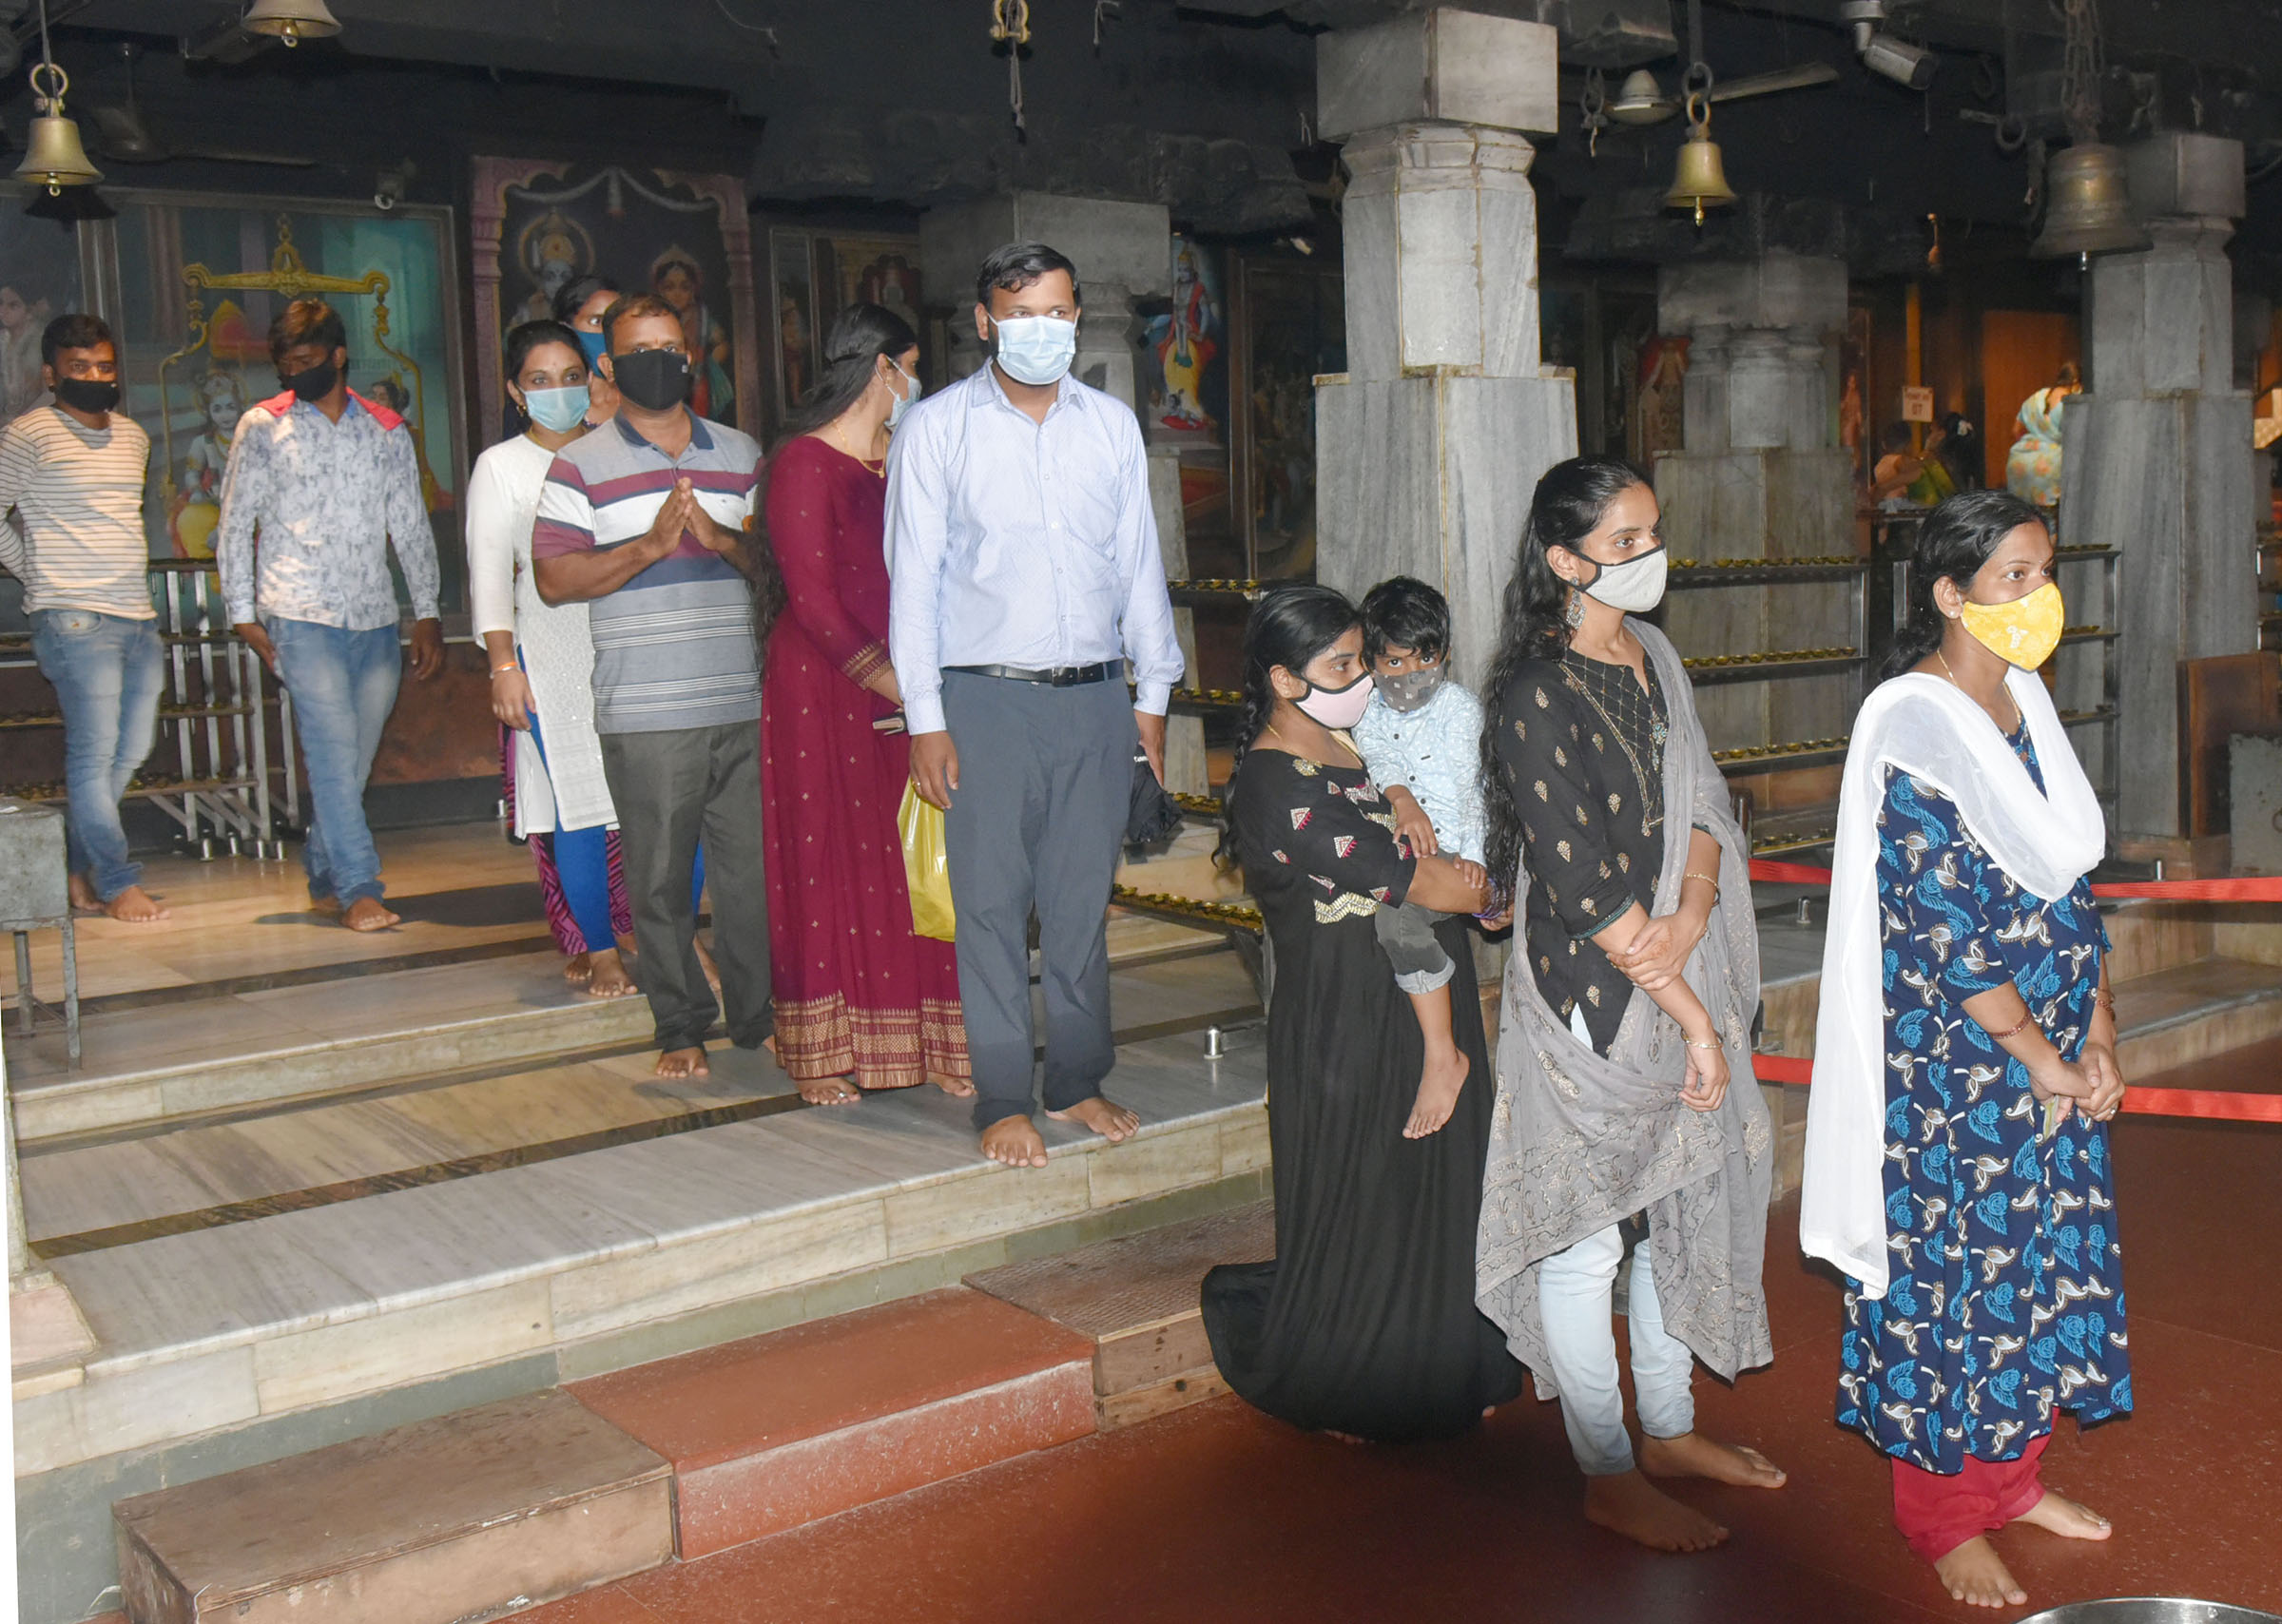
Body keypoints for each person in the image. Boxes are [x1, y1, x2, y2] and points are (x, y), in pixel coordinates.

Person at [1802, 488, 2127, 1611]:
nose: (2041, 598)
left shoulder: (2025, 706)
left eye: (2045, 571)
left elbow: (2068, 890)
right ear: (1948, 594)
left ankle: (2014, 1479)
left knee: (2032, 1278)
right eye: (2014, 577)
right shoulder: (1913, 725)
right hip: (1957, 1072)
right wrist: (2037, 1053)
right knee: (1955, 1283)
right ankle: (1942, 1516)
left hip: (2049, 1043)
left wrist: (2098, 1026)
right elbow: (1940, 925)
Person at [1474, 455, 1784, 1554]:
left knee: (1675, 1203)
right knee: (1588, 1241)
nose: (1649, 560)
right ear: (1563, 561)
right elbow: (1587, 888)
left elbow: (1701, 793)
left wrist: (1697, 912)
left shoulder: (1652, 651)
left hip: (1675, 959)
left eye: (1653, 536)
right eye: (1624, 544)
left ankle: (1668, 1427)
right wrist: (1695, 1014)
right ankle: (1607, 1468)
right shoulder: (1533, 691)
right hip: (1590, 1000)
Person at [1199, 584, 1524, 1441]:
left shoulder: (1351, 740)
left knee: (1444, 1184)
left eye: (1359, 659)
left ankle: (1453, 1359)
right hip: (1346, 1020)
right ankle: (1359, 1380)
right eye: (1341, 665)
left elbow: (1426, 846)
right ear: (1282, 679)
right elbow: (1418, 880)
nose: (1364, 679)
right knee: (1370, 1196)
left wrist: (1464, 872)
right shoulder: (1274, 784)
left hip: (1423, 993)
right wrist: (1478, 885)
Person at [886, 242, 1185, 1169]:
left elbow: (1138, 565)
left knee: (1078, 907)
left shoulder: (1109, 428)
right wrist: (925, 718)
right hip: (985, 699)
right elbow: (914, 583)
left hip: (1097, 695)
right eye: (1020, 316)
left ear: (1077, 316)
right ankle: (1005, 1095)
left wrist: (1155, 694)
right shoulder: (937, 429)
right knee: (989, 905)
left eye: (1057, 314)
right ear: (983, 323)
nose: (1039, 332)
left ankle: (1079, 1081)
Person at [532, 292, 773, 1080]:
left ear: (692, 356)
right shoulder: (579, 464)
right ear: (610, 365)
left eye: (671, 348)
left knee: (751, 881)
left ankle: (758, 1019)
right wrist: (649, 547)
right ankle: (679, 1027)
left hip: (741, 699)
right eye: (640, 351)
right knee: (661, 882)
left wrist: (720, 540)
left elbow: (775, 570)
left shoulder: (741, 452)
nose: (659, 363)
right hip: (644, 709)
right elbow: (555, 579)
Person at [758, 304, 972, 1105]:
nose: (917, 384)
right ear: (883, 369)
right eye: (911, 366)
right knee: (831, 857)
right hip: (826, 684)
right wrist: (907, 691)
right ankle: (823, 1053)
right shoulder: (804, 463)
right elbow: (811, 600)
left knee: (921, 858)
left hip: (912, 680)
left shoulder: (910, 457)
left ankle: (939, 1042)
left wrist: (930, 689)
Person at [218, 299, 443, 933]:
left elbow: (410, 525)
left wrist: (426, 610)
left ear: (339, 356)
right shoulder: (261, 426)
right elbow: (235, 525)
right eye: (286, 362)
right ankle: (358, 886)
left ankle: (322, 866)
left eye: (309, 359)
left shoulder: (387, 430)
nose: (297, 371)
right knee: (330, 750)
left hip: (374, 617)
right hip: (298, 613)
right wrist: (242, 613)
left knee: (353, 762)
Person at [467, 319, 638, 997]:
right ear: (516, 390)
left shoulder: (613, 453)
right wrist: (503, 666)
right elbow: (487, 573)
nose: (558, 392)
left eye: (572, 377)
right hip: (547, 648)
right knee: (578, 803)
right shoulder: (501, 467)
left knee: (655, 802)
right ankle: (599, 950)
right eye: (540, 381)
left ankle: (672, 939)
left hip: (625, 640)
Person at [0, 314, 165, 921]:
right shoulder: (28, 435)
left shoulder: (133, 438)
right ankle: (119, 881)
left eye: (104, 366)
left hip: (137, 616)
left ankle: (72, 869)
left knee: (132, 750)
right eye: (79, 368)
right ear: (51, 374)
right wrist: (37, 574)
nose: (95, 377)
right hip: (73, 618)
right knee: (95, 755)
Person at [1349, 575, 1491, 1138]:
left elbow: (1476, 789)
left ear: (1446, 654)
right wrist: (1402, 801)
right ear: (1372, 663)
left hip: (1456, 849)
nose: (1410, 676)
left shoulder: (1460, 710)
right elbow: (1378, 755)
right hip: (1405, 844)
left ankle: (1443, 1056)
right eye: (1394, 663)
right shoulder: (1369, 711)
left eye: (1424, 659)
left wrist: (1476, 858)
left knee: (1397, 920)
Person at [2005, 362, 2079, 510]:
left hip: (2019, 463)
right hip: (2050, 467)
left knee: (2023, 516)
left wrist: (2034, 444)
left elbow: (2015, 430)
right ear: (2076, 381)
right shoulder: (2071, 403)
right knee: (2048, 521)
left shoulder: (2037, 396)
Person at [554, 274, 623, 427]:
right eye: (596, 321)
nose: (609, 330)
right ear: (567, 329)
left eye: (617, 320)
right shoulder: (547, 404)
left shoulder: (643, 400)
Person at [1872, 422, 1954, 510]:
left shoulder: (1884, 463)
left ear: (1883, 445)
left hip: (1914, 512)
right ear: (1908, 445)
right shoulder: (1932, 465)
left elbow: (1883, 488)